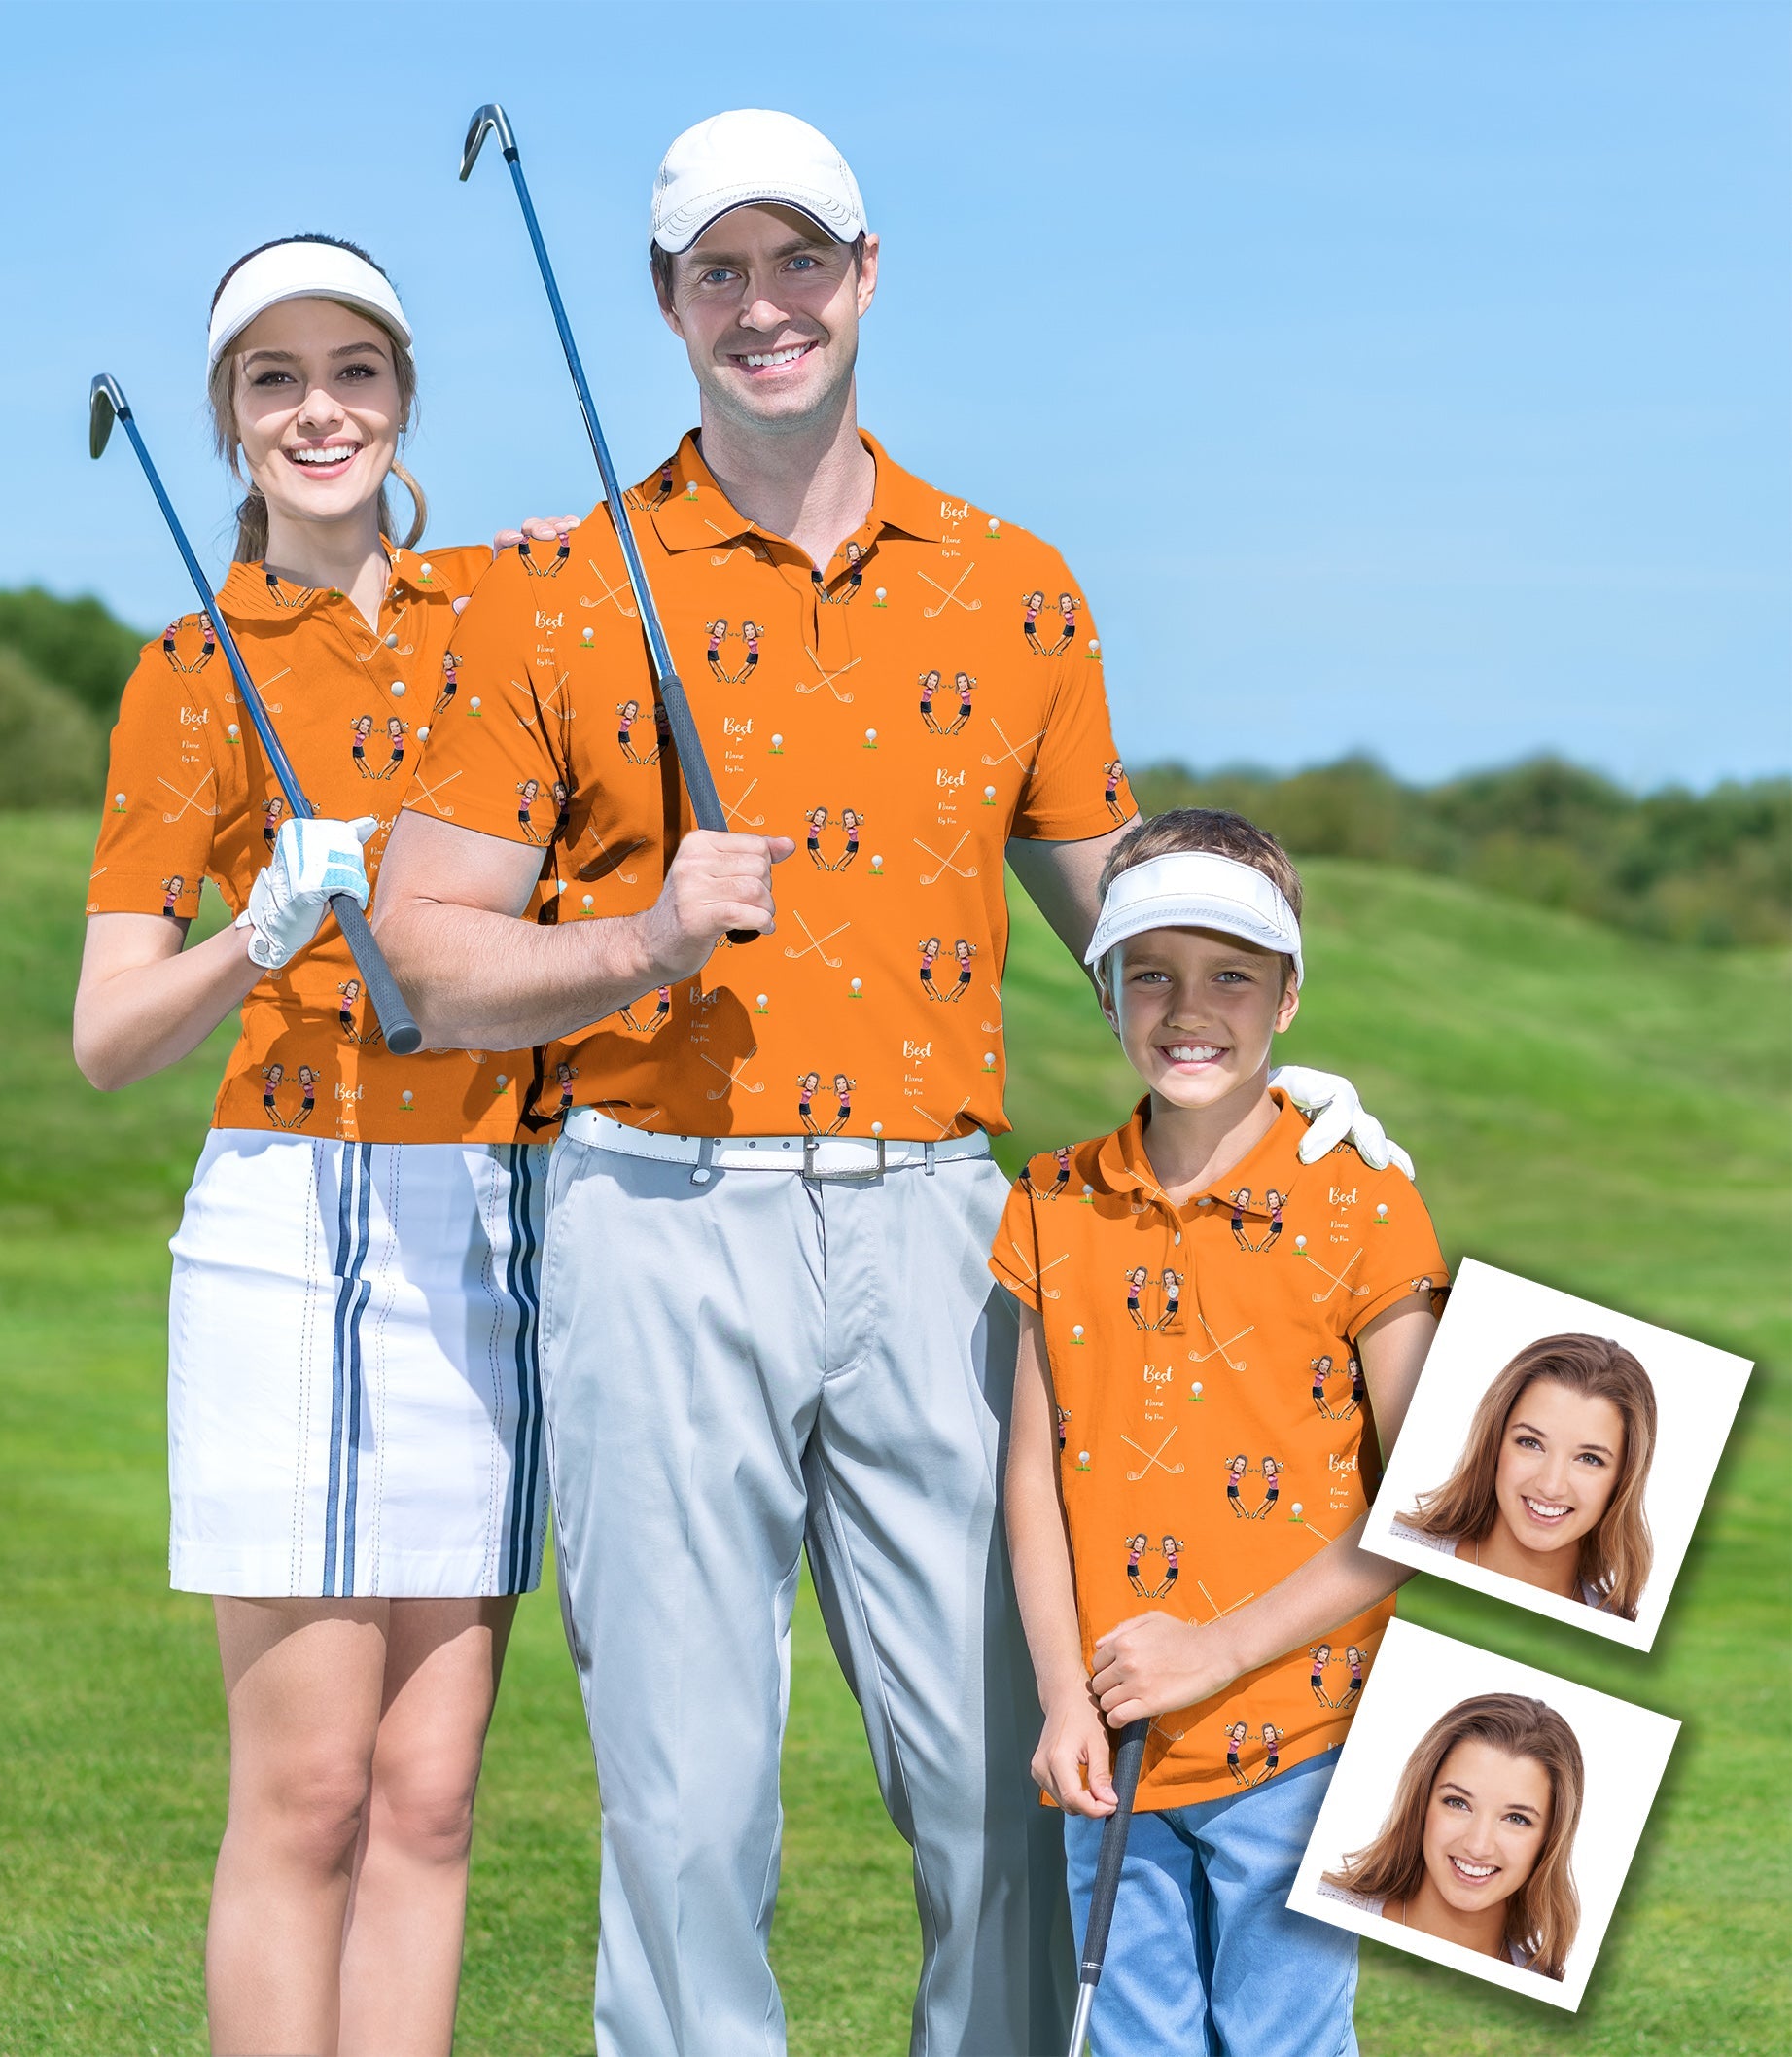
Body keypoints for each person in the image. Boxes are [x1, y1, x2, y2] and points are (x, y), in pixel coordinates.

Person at [372, 113, 1403, 2057]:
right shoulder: (554, 587)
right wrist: (636, 943)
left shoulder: (1015, 586)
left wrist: (1274, 1053)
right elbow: (422, 954)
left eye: (799, 261)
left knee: (1013, 1782)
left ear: (865, 274)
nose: (763, 306)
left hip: (942, 1230)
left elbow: (1120, 911)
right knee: (688, 1811)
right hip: (652, 1210)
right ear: (667, 302)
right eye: (719, 271)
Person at [73, 233, 573, 2057]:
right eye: (272, 379)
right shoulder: (185, 671)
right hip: (289, 1222)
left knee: (430, 1794)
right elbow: (108, 1035)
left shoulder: (506, 621)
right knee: (309, 1792)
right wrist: (255, 932)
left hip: (484, 1216)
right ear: (229, 419)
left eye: (352, 371)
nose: (318, 410)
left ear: (403, 398)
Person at [995, 808, 1445, 2056]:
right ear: (1105, 991)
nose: (1189, 1010)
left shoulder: (1365, 1201)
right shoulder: (1050, 1203)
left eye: (1232, 976)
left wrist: (1219, 1650)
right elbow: (1032, 1480)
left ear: (1289, 996)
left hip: (1306, 1739)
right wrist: (1062, 1701)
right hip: (1115, 1741)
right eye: (1151, 975)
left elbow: (1434, 1500)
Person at [1318, 1692, 1584, 1978]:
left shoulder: (1547, 1987)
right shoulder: (1321, 1914)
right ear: (1421, 1803)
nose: (1477, 1846)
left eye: (1516, 1819)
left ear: (1550, 1838)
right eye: (1458, 1803)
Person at [1392, 1332, 1657, 1618]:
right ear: (1495, 1443)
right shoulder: (1393, 1559)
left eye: (1589, 1459)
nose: (1551, 1486)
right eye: (1531, 1443)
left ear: (1623, 1479)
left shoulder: (1620, 1632)